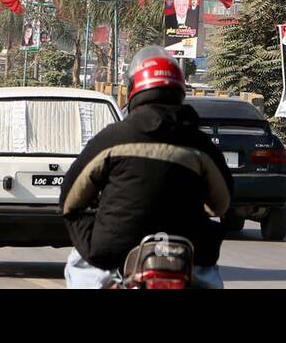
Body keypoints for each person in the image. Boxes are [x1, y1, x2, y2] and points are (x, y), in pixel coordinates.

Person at [60, 47, 233, 289]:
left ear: (133, 91)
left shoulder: (111, 138)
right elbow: (222, 203)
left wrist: (90, 223)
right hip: (187, 249)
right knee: (207, 275)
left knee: (78, 265)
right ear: (179, 90)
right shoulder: (200, 144)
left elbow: (69, 200)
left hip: (113, 249)